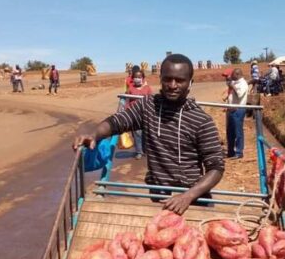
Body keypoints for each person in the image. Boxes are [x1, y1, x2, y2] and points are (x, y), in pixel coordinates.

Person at [74, 53, 224, 214]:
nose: (172, 85)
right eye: (168, 79)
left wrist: (187, 196)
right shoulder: (148, 106)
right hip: (158, 196)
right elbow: (117, 122)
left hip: (193, 201)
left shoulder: (201, 120)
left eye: (180, 80)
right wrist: (94, 135)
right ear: (160, 79)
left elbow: (216, 167)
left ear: (190, 83)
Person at [125, 66, 152, 159]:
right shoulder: (130, 89)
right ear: (133, 78)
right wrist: (126, 112)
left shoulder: (147, 88)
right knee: (137, 133)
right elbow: (126, 100)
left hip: (146, 114)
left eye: (139, 77)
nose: (137, 79)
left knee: (146, 133)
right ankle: (139, 151)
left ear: (143, 78)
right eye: (136, 77)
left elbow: (151, 100)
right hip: (134, 114)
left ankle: (146, 150)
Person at [225, 68, 249, 159]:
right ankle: (230, 152)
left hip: (238, 110)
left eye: (233, 75)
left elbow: (239, 94)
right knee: (230, 132)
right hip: (231, 109)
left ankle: (239, 152)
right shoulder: (235, 82)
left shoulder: (243, 84)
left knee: (238, 131)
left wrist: (232, 86)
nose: (231, 76)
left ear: (237, 74)